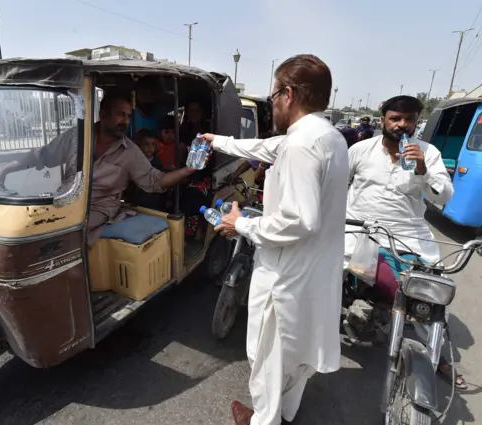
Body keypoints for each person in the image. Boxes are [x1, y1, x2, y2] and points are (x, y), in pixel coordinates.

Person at [200, 54, 349, 425]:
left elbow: (299, 220)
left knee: (267, 357)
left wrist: (243, 225)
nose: (273, 103)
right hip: (314, 271)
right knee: (294, 356)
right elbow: (267, 149)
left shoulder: (301, 146)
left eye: (274, 94)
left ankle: (261, 420)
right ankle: (285, 413)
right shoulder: (328, 137)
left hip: (286, 274)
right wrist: (217, 140)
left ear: (289, 93)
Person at [344, 95, 466, 389]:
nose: (401, 125)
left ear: (416, 123)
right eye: (395, 119)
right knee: (320, 275)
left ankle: (437, 357)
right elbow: (336, 183)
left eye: (408, 120)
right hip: (357, 231)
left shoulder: (428, 153)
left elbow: (444, 196)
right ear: (384, 119)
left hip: (408, 236)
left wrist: (422, 169)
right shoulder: (360, 149)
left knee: (427, 294)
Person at [0, 92, 201, 245]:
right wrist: (3, 172)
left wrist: (187, 171)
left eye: (128, 116)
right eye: (120, 114)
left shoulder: (130, 151)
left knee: (59, 235)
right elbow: (39, 155)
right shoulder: (75, 138)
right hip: (67, 200)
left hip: (99, 210)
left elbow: (154, 181)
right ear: (103, 114)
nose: (125, 121)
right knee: (22, 225)